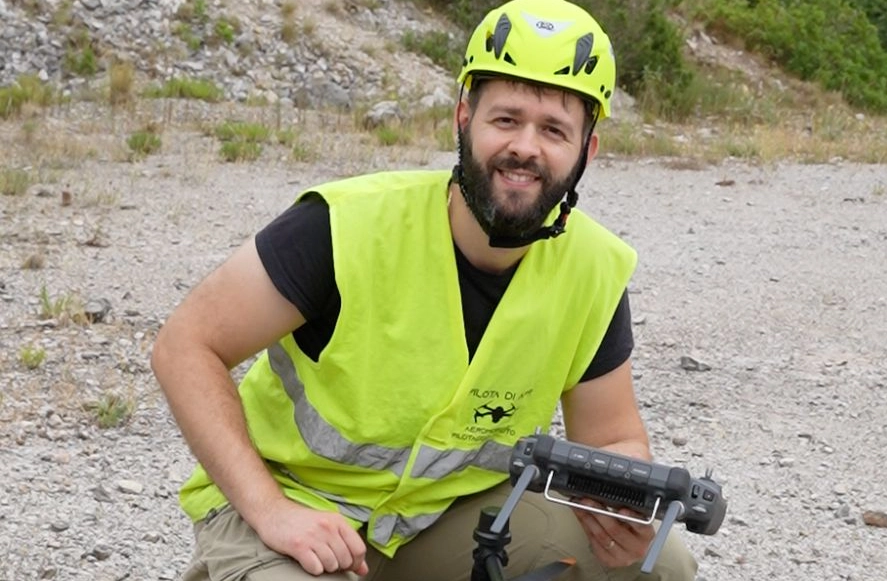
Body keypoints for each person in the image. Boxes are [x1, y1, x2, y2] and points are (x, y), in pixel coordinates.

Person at [151, 0, 699, 579]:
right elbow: (185, 346)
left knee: (658, 563)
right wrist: (270, 510)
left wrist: (622, 504)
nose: (526, 148)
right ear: (463, 116)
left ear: (587, 149)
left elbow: (612, 437)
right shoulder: (345, 226)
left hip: (435, 517)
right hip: (294, 503)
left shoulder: (593, 268)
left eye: (554, 130)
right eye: (506, 119)